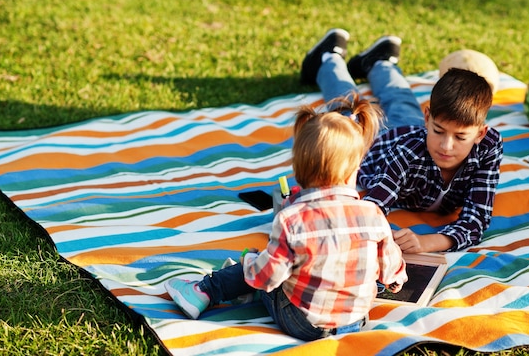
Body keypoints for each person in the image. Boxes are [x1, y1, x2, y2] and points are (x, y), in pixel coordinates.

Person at [165, 95, 408, 341]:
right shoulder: (372, 213)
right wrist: (396, 279)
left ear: (300, 168)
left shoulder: (292, 219)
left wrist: (250, 262)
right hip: (356, 321)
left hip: (305, 324)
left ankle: (202, 291)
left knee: (259, 266)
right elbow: (391, 267)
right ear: (353, 170)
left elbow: (267, 277)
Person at [300, 28, 503, 253]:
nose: (446, 146)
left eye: (460, 137)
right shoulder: (406, 152)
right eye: (438, 131)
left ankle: (380, 62)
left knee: (401, 99)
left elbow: (476, 220)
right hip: (380, 140)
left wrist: (427, 242)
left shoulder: (489, 146)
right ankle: (328, 58)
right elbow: (372, 208)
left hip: (412, 129)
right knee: (348, 107)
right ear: (427, 118)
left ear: (480, 134)